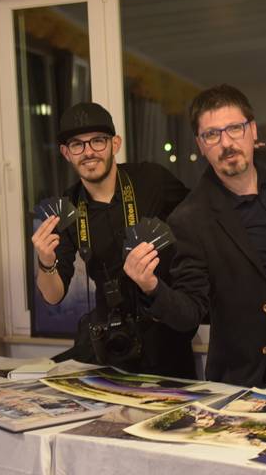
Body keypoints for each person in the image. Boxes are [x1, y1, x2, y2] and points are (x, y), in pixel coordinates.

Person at [124, 84, 266, 391]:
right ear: (200, 144)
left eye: (235, 129)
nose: (226, 143)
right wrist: (151, 287)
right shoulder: (189, 219)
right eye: (212, 135)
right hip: (255, 368)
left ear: (252, 131)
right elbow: (190, 313)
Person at [31, 102, 196, 378]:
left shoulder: (151, 180)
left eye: (98, 141)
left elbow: (198, 216)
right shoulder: (69, 207)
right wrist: (45, 262)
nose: (88, 152)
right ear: (65, 153)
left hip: (165, 334)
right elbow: (53, 295)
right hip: (111, 343)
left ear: (115, 144)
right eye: (77, 145)